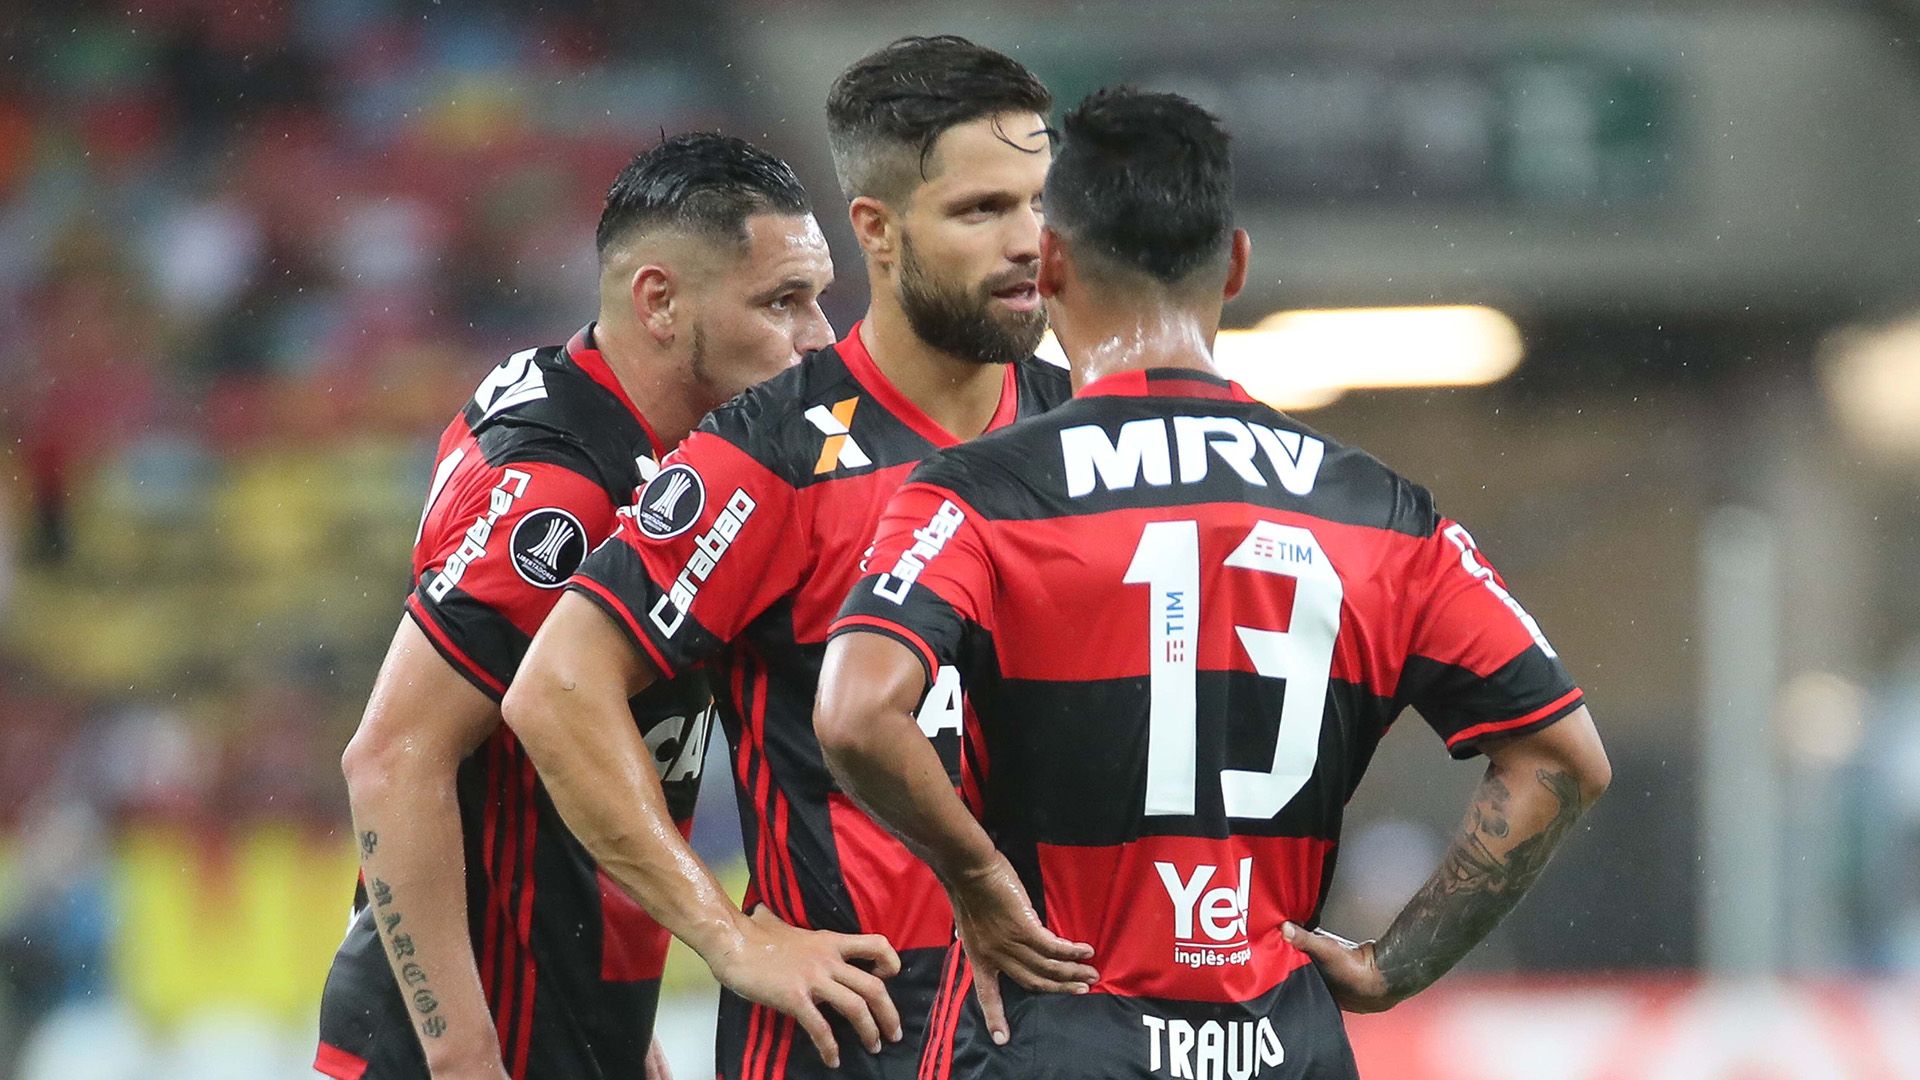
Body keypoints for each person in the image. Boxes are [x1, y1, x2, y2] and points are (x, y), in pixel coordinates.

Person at [813, 87, 1613, 1080]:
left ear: (1050, 262)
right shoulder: (1380, 513)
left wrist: (978, 880)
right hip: (1284, 1048)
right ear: (1235, 263)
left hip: (1058, 1043)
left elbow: (854, 712)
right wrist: (1397, 962)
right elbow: (1564, 760)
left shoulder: (981, 497)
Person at [500, 36, 1070, 1080]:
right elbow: (557, 690)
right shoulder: (773, 450)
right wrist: (726, 934)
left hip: (1062, 1018)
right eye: (982, 211)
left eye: (1036, 201)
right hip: (860, 1027)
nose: (1029, 241)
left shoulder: (1079, 432)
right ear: (879, 232)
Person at [316, 133, 900, 1080]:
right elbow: (389, 759)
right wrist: (464, 1057)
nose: (819, 338)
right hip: (475, 1038)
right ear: (659, 302)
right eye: (781, 302)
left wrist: (625, 1035)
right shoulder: (566, 501)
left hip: (563, 1019)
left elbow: (552, 799)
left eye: (819, 298)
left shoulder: (591, 410)